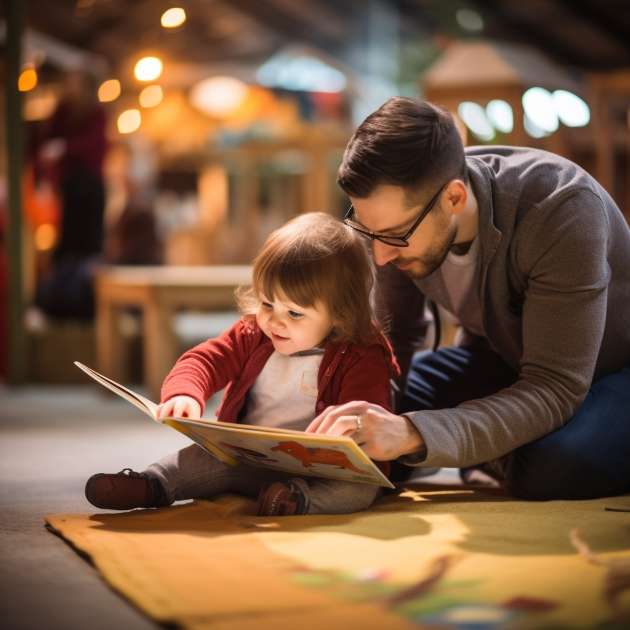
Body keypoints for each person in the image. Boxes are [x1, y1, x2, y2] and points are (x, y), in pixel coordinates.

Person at [307, 97, 630, 501]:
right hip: (499, 357)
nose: (381, 257)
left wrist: (412, 433)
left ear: (454, 199)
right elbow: (397, 337)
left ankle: (493, 448)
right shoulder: (401, 211)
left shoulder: (562, 209)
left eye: (394, 236)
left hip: (609, 369)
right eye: (368, 232)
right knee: (351, 418)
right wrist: (371, 413)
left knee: (553, 470)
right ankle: (487, 444)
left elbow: (556, 386)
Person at [84, 212, 398, 516]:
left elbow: (366, 414)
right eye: (267, 303)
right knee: (198, 460)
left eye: (295, 313)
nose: (275, 321)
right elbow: (204, 360)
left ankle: (297, 501)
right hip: (245, 458)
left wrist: (350, 438)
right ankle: (152, 484)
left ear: (340, 314)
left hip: (320, 471)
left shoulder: (362, 354)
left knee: (357, 490)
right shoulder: (252, 333)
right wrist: (185, 394)